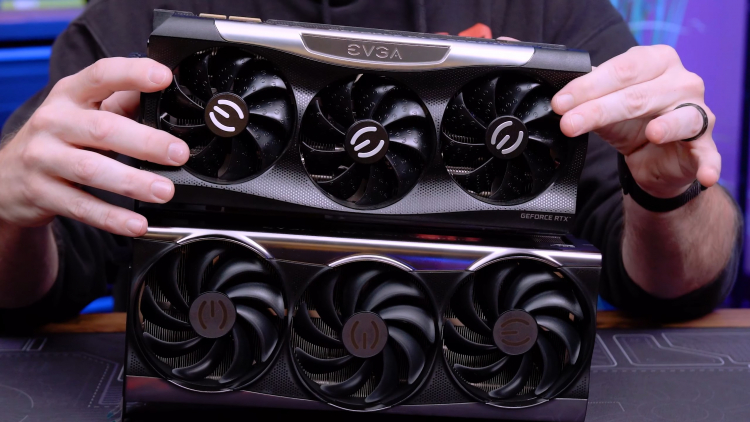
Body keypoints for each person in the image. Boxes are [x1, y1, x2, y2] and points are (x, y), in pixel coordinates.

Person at [0, 0, 741, 331]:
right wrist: (9, 210)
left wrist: (667, 189)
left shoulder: (551, 15)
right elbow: (32, 291)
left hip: (489, 367)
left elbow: (677, 287)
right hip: (207, 363)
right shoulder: (138, 19)